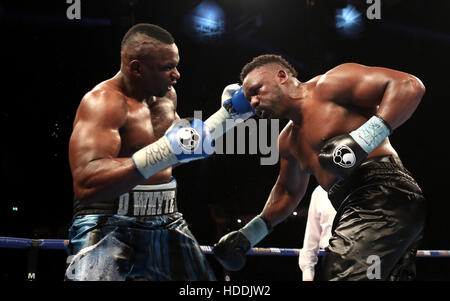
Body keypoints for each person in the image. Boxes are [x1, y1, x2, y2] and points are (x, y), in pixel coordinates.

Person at [65, 23, 253, 281]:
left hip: (166, 217)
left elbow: (182, 148)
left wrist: (228, 116)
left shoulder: (167, 96)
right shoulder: (103, 103)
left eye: (176, 65)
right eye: (166, 68)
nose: (176, 75)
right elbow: (86, 182)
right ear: (136, 68)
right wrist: (166, 150)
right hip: (109, 222)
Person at [213, 54, 426, 281]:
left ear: (282, 76)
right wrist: (247, 236)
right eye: (248, 99)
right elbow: (288, 193)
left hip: (382, 193)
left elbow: (409, 85)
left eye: (256, 91)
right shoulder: (288, 141)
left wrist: (363, 140)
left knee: (339, 274)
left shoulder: (329, 85)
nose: (254, 102)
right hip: (353, 205)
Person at [299, 185, 336, 281]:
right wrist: (307, 274)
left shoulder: (364, 184)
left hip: (365, 255)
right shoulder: (320, 192)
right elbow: (311, 236)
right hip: (331, 259)